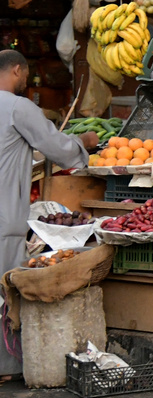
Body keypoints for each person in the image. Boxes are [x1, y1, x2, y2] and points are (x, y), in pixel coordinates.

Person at [0, 50, 98, 378]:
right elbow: (55, 146)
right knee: (6, 297)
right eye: (25, 75)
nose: (26, 82)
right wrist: (83, 144)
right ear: (16, 70)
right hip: (3, 219)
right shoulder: (17, 107)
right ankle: (7, 366)